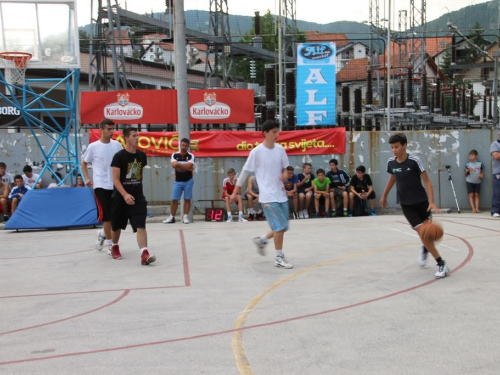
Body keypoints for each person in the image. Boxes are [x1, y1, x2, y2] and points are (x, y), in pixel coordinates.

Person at [380, 133, 450, 279]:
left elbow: (427, 181)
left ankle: (425, 248)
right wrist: (384, 195)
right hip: (406, 205)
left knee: (427, 235)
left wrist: (431, 201)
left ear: (404, 145)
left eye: (397, 147)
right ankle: (442, 263)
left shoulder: (414, 160)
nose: (394, 150)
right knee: (423, 233)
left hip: (422, 202)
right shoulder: (391, 162)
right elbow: (393, 177)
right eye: (392, 147)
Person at [230, 120, 293, 269]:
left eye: (278, 131)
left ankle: (262, 240)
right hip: (268, 197)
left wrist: (284, 175)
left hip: (281, 194)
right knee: (279, 228)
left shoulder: (280, 150)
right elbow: (245, 172)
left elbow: (285, 168)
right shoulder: (256, 152)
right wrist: (234, 192)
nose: (277, 135)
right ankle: (279, 258)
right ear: (265, 133)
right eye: (274, 132)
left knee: (283, 227)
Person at [110, 127, 156, 265]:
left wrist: (137, 192)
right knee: (117, 225)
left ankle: (144, 253)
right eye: (134, 135)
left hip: (138, 197)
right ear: (126, 138)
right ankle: (114, 246)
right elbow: (116, 179)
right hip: (120, 197)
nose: (137, 138)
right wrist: (125, 195)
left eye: (138, 135)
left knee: (141, 224)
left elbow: (139, 176)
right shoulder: (119, 157)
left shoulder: (142, 156)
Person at [81, 118, 123, 252]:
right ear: (102, 130)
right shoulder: (93, 147)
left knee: (115, 217)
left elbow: (123, 161)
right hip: (100, 185)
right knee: (107, 216)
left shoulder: (117, 145)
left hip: (115, 185)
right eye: (109, 129)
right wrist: (87, 178)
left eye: (113, 129)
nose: (112, 132)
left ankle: (103, 234)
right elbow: (84, 162)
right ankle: (111, 244)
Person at [163, 138, 195, 224]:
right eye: (182, 145)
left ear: (188, 146)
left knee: (187, 199)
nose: (183, 147)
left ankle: (185, 217)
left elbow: (189, 166)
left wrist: (179, 165)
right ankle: (172, 217)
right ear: (180, 145)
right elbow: (174, 165)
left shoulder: (191, 156)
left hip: (189, 180)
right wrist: (186, 166)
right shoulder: (174, 155)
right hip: (177, 181)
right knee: (174, 199)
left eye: (185, 145)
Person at [491, 130, 500, 217]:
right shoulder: (495, 144)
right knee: (497, 191)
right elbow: (496, 156)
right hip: (498, 172)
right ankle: (495, 210)